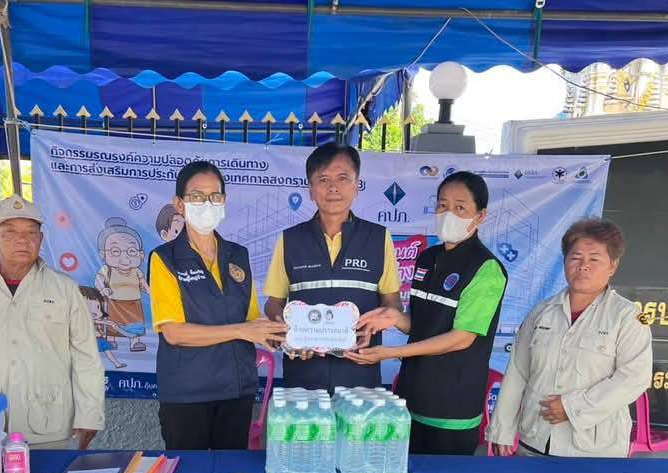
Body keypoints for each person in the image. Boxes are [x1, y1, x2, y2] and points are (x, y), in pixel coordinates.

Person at [348, 172, 507, 456]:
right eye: (442, 205)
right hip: (412, 399)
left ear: (481, 216)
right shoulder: (427, 258)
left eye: (460, 207)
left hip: (452, 408)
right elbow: (421, 324)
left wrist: (391, 353)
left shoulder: (486, 269)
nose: (448, 214)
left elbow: (461, 338)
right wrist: (394, 318)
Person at [0, 194, 105, 450]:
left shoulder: (64, 289)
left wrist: (89, 416)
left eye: (31, 232)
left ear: (41, 239)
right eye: (10, 232)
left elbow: (86, 357)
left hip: (49, 426)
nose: (22, 240)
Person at [150, 160, 287, 450]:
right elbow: (174, 333)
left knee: (231, 470)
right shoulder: (164, 259)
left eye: (215, 196)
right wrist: (242, 331)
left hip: (236, 390)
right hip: (187, 394)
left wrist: (278, 335)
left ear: (224, 201)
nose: (207, 204)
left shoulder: (238, 255)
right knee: (190, 471)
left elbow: (252, 320)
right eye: (197, 196)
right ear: (180, 204)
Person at [487, 218, 652, 458]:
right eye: (576, 258)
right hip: (535, 440)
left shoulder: (627, 317)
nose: (583, 266)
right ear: (565, 262)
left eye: (594, 259)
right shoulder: (542, 312)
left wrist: (572, 407)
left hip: (594, 450)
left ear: (613, 266)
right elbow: (517, 372)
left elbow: (635, 378)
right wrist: (502, 430)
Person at [264, 143, 402, 392]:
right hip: (303, 375)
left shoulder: (379, 238)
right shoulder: (290, 239)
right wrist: (287, 333)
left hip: (360, 373)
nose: (333, 188)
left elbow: (393, 304)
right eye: (323, 179)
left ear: (356, 186)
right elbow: (274, 303)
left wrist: (373, 325)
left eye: (343, 178)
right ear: (311, 190)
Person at [95, 217, 148, 352]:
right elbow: (99, 280)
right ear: (103, 254)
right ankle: (111, 340)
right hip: (114, 303)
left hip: (134, 303)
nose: (125, 258)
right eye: (115, 251)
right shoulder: (107, 270)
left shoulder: (136, 271)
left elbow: (143, 283)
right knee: (113, 324)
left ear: (140, 254)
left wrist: (149, 290)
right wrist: (103, 289)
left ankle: (135, 342)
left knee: (135, 324)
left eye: (131, 251)